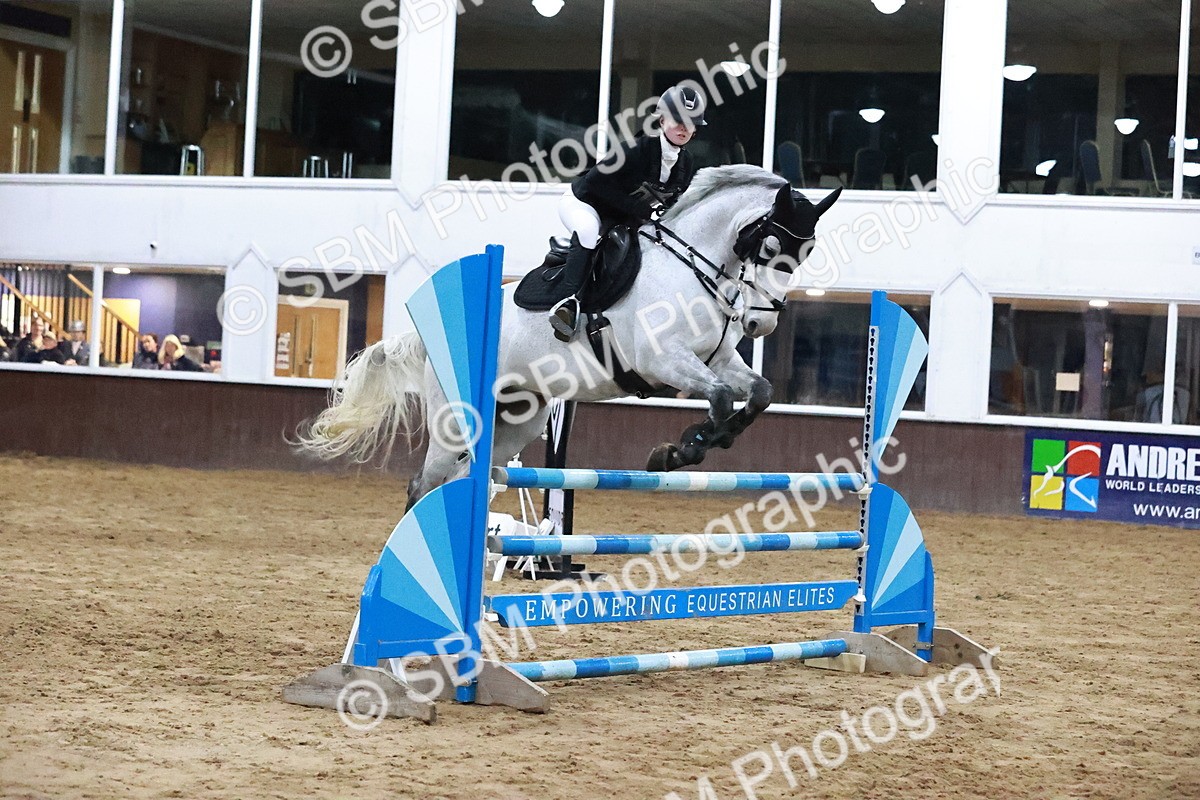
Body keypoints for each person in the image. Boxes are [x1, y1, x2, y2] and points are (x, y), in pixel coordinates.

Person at [548, 83, 706, 341]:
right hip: (584, 204)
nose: (683, 128)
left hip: (623, 218)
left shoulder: (685, 162)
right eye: (678, 120)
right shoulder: (634, 149)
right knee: (588, 233)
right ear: (662, 118)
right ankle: (567, 304)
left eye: (690, 123)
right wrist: (638, 208)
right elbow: (594, 182)